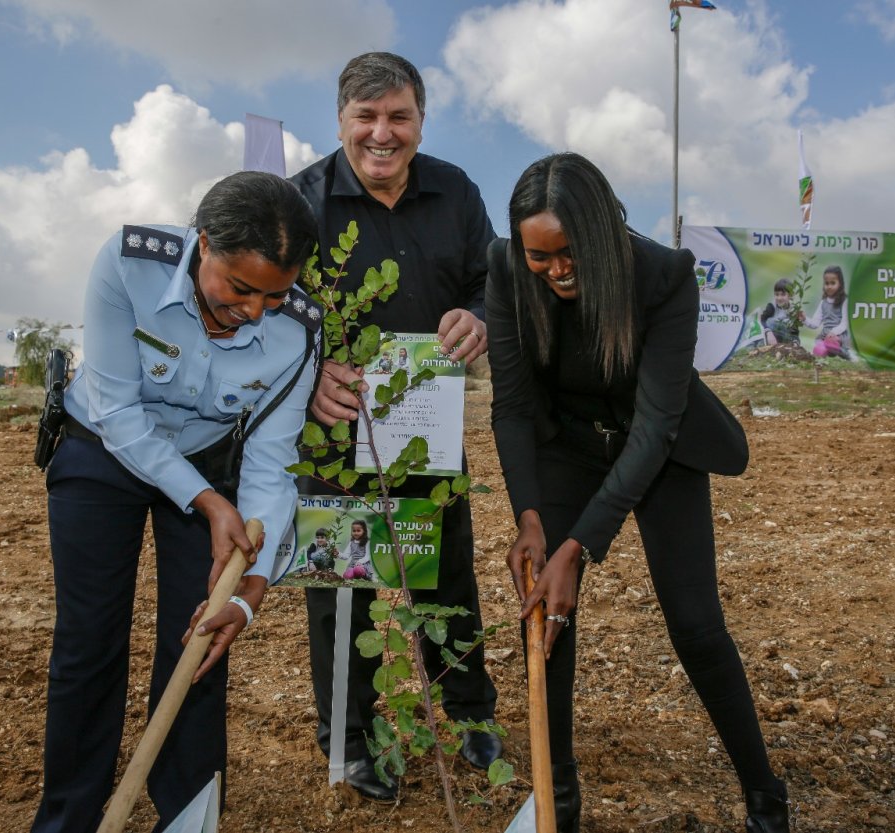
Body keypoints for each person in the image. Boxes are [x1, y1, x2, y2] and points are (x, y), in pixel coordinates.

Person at [486, 153, 791, 833]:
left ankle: (766, 798)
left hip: (659, 444)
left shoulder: (661, 275)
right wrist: (531, 521)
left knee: (696, 625)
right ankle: (557, 806)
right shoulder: (507, 269)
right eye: (540, 257)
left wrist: (579, 547)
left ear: (599, 234)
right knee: (548, 619)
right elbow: (510, 404)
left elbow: (654, 428)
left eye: (569, 254)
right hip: (565, 440)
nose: (556, 271)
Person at [31, 171, 322, 833]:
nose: (253, 311)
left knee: (199, 642)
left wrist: (248, 590)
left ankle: (188, 820)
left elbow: (272, 467)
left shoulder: (299, 332)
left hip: (208, 462)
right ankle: (68, 819)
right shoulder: (127, 263)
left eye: (274, 296)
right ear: (202, 244)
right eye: (239, 287)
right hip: (101, 449)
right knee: (88, 643)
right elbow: (117, 412)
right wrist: (207, 503)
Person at [290, 51, 501, 802]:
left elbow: (491, 283)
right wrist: (308, 373)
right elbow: (266, 307)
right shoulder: (300, 202)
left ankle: (471, 714)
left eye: (399, 117)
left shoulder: (457, 192)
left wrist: (477, 318)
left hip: (428, 429)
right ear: (342, 120)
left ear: (419, 119)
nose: (383, 134)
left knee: (447, 578)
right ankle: (347, 741)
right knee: (342, 592)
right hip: (335, 441)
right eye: (367, 118)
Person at [804, 265, 850, 358]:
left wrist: (833, 332)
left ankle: (842, 352)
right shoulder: (823, 302)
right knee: (818, 349)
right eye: (827, 283)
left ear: (840, 284)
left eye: (833, 283)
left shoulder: (844, 301)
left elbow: (844, 323)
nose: (829, 286)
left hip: (838, 334)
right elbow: (815, 324)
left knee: (831, 342)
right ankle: (825, 352)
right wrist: (804, 318)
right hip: (825, 335)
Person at [760, 278, 800, 346]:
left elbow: (794, 333)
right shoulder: (772, 306)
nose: (779, 298)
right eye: (777, 294)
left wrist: (795, 343)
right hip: (769, 336)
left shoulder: (793, 311)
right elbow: (762, 320)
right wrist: (768, 332)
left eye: (783, 294)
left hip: (784, 339)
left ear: (790, 295)